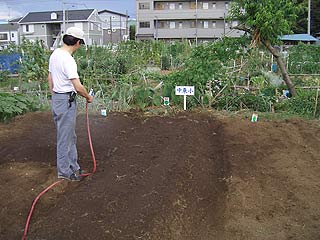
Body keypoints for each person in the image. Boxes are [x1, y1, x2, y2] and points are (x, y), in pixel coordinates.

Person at [48, 27, 93, 181]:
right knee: (64, 138)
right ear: (78, 43)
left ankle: (74, 167)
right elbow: (78, 86)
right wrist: (88, 97)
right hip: (66, 100)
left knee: (69, 136)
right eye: (80, 43)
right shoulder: (68, 59)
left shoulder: (55, 54)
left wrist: (55, 96)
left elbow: (50, 78)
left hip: (59, 99)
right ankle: (65, 173)